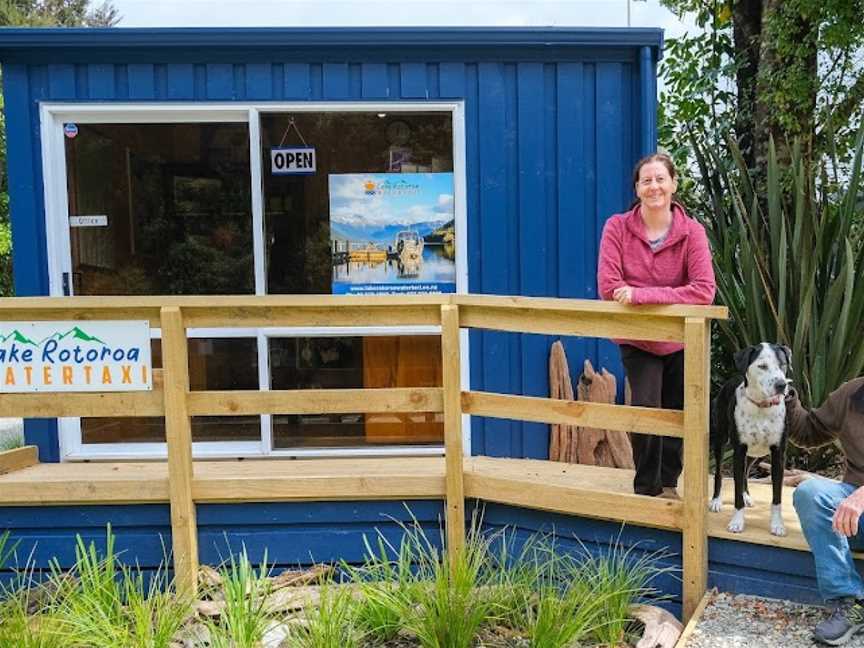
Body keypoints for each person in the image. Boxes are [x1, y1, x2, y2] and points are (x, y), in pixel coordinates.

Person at [597, 153, 716, 497]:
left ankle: (668, 484)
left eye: (660, 179)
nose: (654, 187)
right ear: (637, 188)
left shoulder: (692, 232)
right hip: (637, 337)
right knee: (647, 408)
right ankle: (646, 487)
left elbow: (704, 291)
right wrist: (646, 297)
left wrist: (640, 294)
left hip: (681, 337)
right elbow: (608, 286)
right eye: (646, 180)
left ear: (673, 184)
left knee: (678, 412)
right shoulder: (617, 227)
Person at [788, 378, 864, 646]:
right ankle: (849, 601)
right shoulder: (853, 393)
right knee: (810, 493)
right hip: (854, 518)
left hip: (859, 502)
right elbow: (809, 431)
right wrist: (785, 398)